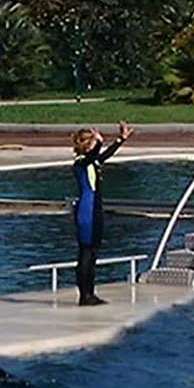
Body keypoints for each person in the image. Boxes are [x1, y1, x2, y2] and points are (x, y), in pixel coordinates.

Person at [71, 121, 134, 306]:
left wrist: (121, 139)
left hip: (95, 209)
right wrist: (99, 142)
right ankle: (84, 295)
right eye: (92, 143)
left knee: (93, 252)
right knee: (86, 252)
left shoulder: (91, 162)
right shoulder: (81, 163)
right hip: (87, 210)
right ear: (86, 145)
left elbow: (104, 155)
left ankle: (91, 292)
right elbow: (93, 156)